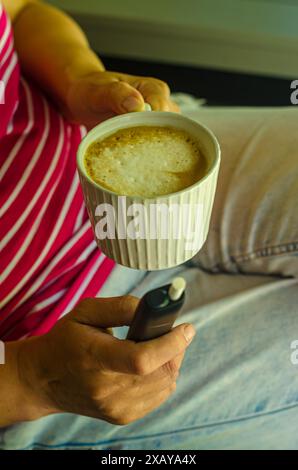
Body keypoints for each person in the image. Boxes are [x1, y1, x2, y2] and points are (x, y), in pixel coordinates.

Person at [1, 0, 298, 450]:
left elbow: (19, 13)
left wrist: (80, 80)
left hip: (98, 152)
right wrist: (29, 377)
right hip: (46, 339)